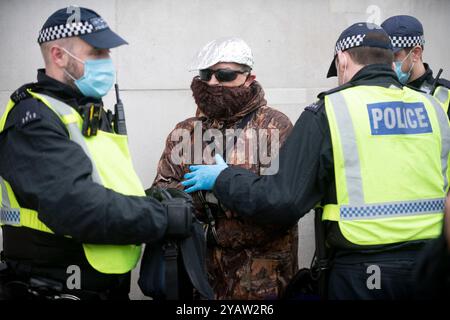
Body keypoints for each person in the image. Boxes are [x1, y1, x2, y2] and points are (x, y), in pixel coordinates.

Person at [182, 23, 450, 299]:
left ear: (342, 60)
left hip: (363, 272)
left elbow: (282, 200)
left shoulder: (331, 111)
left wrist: (224, 178)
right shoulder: (435, 110)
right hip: (433, 266)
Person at [0, 7, 193, 300]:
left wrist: (149, 199)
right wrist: (161, 217)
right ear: (58, 55)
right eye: (97, 53)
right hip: (52, 287)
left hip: (98, 288)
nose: (107, 62)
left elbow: (103, 186)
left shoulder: (85, 110)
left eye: (107, 54)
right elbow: (76, 206)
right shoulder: (34, 118)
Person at [152, 37, 298, 299]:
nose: (212, 83)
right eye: (205, 74)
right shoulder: (185, 131)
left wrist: (220, 195)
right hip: (200, 277)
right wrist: (200, 199)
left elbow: (281, 206)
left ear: (249, 78)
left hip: (260, 283)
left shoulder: (274, 127)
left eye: (224, 74)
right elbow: (162, 195)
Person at [381, 15, 450, 116]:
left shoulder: (445, 96)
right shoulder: (380, 92)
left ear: (416, 53)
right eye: (382, 57)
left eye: (393, 56)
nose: (387, 64)